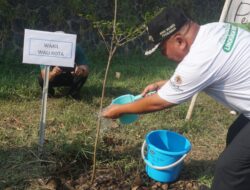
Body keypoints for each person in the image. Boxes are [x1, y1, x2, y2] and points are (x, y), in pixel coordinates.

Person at [102, 7, 250, 190]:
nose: (164, 57)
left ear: (179, 41)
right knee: (236, 134)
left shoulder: (199, 59)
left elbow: (159, 102)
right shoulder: (214, 30)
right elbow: (206, 73)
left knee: (229, 169)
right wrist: (165, 83)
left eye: (163, 51)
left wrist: (119, 109)